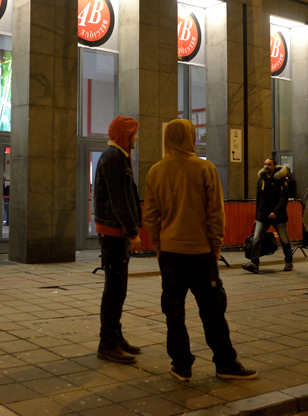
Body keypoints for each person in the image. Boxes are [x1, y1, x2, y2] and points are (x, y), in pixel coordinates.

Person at [143, 119, 257, 381]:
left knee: (174, 311)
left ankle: (181, 365)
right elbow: (216, 213)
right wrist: (215, 248)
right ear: (191, 136)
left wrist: (160, 247)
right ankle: (225, 363)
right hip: (200, 254)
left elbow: (151, 217)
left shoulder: (155, 172)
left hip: (170, 255)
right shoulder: (205, 168)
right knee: (212, 310)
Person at [93, 116, 142, 364]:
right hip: (113, 232)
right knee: (114, 289)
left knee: (118, 289)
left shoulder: (118, 157)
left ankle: (115, 336)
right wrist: (133, 232)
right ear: (125, 134)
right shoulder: (113, 159)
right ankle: (107, 343)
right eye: (134, 133)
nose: (136, 138)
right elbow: (119, 199)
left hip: (115, 231)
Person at [242, 158, 294, 274]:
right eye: (265, 164)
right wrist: (257, 216)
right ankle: (254, 263)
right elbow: (259, 199)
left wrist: (275, 212)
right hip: (263, 215)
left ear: (274, 166)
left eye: (269, 164)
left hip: (278, 216)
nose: (266, 166)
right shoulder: (261, 180)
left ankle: (289, 261)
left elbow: (283, 199)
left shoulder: (281, 180)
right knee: (257, 238)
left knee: (284, 239)